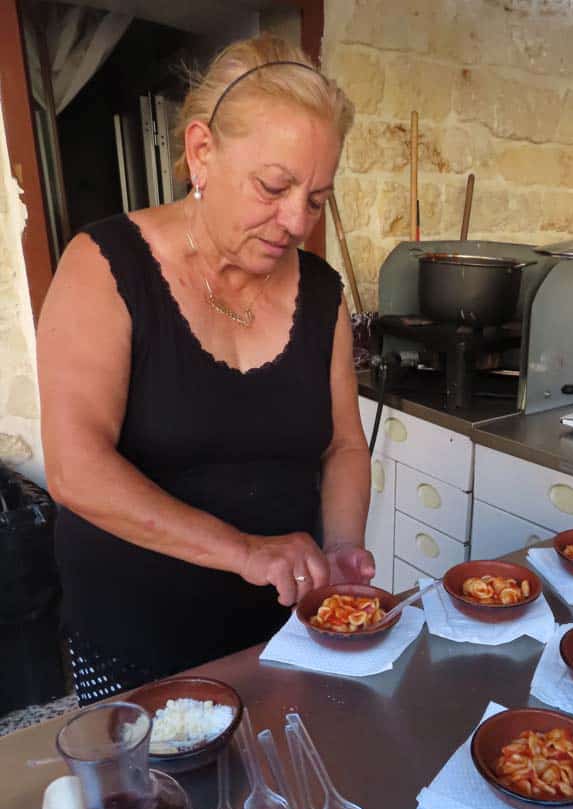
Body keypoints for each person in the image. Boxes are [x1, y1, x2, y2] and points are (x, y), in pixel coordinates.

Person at [37, 32, 374, 704]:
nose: (295, 220)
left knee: (289, 795)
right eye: (273, 186)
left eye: (315, 198)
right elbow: (76, 467)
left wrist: (339, 552)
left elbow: (342, 444)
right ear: (201, 152)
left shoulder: (323, 293)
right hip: (141, 648)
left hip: (284, 635)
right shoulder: (103, 266)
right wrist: (246, 551)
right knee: (152, 805)